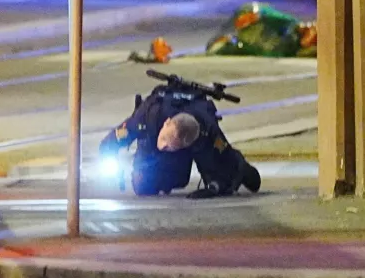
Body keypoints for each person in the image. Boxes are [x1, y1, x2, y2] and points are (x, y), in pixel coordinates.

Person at [99, 82, 262, 198]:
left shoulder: (207, 131)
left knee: (231, 173)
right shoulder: (147, 115)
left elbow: (224, 156)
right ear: (167, 122)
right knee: (143, 187)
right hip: (151, 137)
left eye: (169, 146)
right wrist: (113, 163)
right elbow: (113, 139)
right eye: (164, 139)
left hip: (194, 149)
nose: (162, 145)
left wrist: (215, 187)